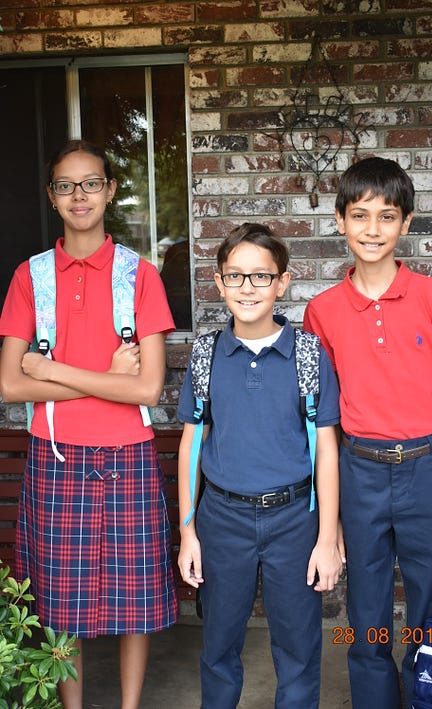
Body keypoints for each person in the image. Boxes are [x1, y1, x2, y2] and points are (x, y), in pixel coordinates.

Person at [0, 139, 178, 709]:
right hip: (56, 454)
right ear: (52, 197)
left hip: (128, 454)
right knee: (59, 598)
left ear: (111, 190)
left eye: (92, 183)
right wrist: (104, 376)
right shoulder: (30, 278)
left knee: (136, 597)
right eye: (67, 185)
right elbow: (10, 384)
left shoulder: (140, 275)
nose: (80, 196)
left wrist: (52, 371)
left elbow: (147, 387)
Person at [303, 156, 432, 709]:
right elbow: (322, 419)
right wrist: (329, 525)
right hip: (360, 471)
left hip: (426, 468)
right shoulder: (322, 311)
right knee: (366, 613)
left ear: (405, 224)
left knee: (431, 610)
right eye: (360, 215)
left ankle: (430, 696)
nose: (372, 229)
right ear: (339, 221)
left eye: (386, 216)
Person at [177, 222, 343, 708]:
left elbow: (326, 448)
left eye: (261, 277)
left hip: (294, 519)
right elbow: (191, 447)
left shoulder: (308, 354)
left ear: (283, 282)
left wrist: (328, 538)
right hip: (222, 520)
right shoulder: (206, 356)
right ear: (219, 281)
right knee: (220, 645)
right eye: (236, 276)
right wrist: (189, 531)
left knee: (298, 648)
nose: (247, 288)